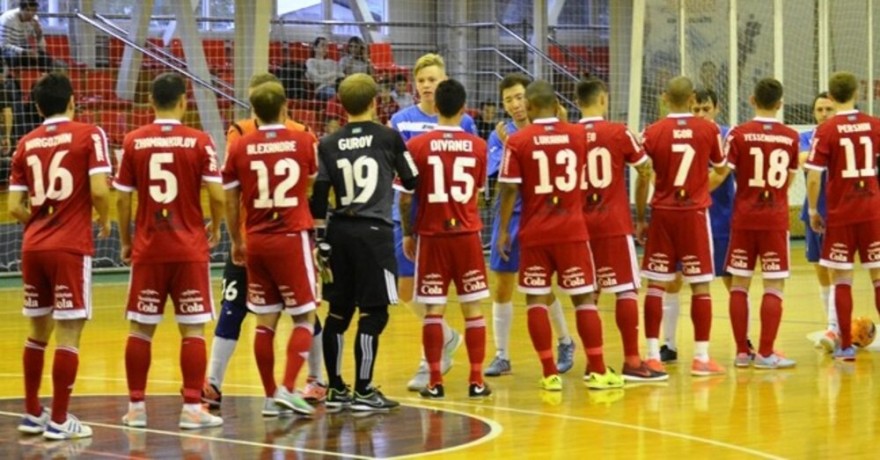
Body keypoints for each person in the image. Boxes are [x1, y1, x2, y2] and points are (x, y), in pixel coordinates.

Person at [203, 72, 326, 411]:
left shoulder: (239, 141)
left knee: (262, 320)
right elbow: (313, 183)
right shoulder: (303, 137)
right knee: (305, 313)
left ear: (253, 107)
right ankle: (289, 386)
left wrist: (234, 237)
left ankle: (276, 393)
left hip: (252, 238)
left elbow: (229, 197)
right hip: (291, 236)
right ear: (285, 105)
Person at [114, 72, 225, 430]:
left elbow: (122, 198)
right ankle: (192, 409)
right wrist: (216, 226)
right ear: (183, 102)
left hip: (149, 248)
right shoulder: (200, 141)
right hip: (189, 248)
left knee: (140, 329)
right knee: (192, 330)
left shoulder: (133, 141)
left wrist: (125, 240)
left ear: (150, 101)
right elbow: (218, 194)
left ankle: (136, 408)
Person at [497, 80, 624, 391]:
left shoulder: (518, 140)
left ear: (528, 107)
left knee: (535, 300)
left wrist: (502, 231)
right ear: (557, 106)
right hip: (572, 230)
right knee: (583, 299)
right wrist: (564, 122)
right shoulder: (578, 134)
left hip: (535, 232)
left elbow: (509, 188)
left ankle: (549, 374)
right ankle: (598, 370)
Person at [9, 71, 111, 439]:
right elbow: (100, 190)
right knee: (69, 332)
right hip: (69, 246)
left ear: (37, 108)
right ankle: (60, 420)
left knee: (38, 332)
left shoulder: (25, 143)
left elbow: (13, 206)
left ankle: (33, 412)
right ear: (72, 100)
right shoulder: (90, 134)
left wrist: (39, 222)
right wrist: (105, 218)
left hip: (33, 246)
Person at [311, 73, 417, 411]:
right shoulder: (389, 136)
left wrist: (319, 239)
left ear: (341, 105)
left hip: (338, 232)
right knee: (374, 313)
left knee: (337, 313)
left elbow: (318, 196)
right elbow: (412, 179)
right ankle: (364, 390)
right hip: (375, 235)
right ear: (374, 102)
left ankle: (336, 389)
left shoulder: (328, 143)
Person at [388, 53, 477, 391]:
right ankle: (448, 337)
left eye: (433, 80)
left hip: (446, 220)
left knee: (436, 294)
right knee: (405, 290)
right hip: (408, 215)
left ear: (445, 83)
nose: (427, 85)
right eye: (422, 80)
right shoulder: (400, 121)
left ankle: (431, 360)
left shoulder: (463, 121)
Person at [484, 73, 576, 378]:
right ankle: (502, 355)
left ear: (531, 99)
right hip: (509, 216)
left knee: (540, 286)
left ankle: (565, 341)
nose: (515, 104)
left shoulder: (550, 130)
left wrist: (514, 145)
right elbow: (504, 181)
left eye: (519, 97)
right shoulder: (499, 135)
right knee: (502, 284)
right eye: (508, 100)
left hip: (541, 216)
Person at [576, 77, 666, 381]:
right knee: (625, 289)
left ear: (578, 103)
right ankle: (632, 361)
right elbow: (645, 170)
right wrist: (640, 214)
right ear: (604, 99)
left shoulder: (568, 135)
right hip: (612, 222)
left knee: (588, 295)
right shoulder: (619, 132)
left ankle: (594, 364)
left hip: (578, 226)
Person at [639, 76, 726, 376]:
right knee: (700, 285)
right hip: (694, 214)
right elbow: (721, 168)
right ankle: (701, 358)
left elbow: (643, 172)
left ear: (664, 98)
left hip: (663, 213)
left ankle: (652, 355)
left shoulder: (651, 132)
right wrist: (699, 187)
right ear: (691, 99)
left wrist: (642, 214)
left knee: (656, 284)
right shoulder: (709, 129)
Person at [719, 77, 799, 369]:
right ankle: (766, 353)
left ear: (752, 100)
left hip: (744, 217)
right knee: (773, 285)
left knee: (739, 284)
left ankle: (742, 353)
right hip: (774, 218)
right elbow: (788, 180)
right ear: (780, 104)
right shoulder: (791, 137)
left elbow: (723, 173)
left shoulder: (738, 134)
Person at [806, 71, 880, 362]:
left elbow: (814, 177)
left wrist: (813, 210)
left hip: (841, 214)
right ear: (856, 94)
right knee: (877, 277)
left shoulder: (826, 130)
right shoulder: (874, 125)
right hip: (871, 211)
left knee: (842, 279)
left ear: (831, 97)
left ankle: (845, 346)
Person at [660, 88, 733, 363]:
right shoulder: (679, 134)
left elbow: (721, 175)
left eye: (706, 109)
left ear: (717, 108)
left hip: (720, 218)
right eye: (696, 109)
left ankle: (744, 342)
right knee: (673, 279)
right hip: (686, 218)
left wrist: (693, 192)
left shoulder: (726, 136)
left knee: (731, 279)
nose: (701, 114)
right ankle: (669, 344)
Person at [799, 92, 837, 350]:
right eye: (819, 109)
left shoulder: (842, 136)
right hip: (813, 211)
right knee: (819, 269)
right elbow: (803, 160)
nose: (824, 114)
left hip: (838, 211)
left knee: (836, 269)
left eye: (828, 109)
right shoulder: (805, 137)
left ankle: (835, 327)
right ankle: (830, 324)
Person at [0, 1, 55, 70]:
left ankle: (46, 76)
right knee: (15, 59)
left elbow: (41, 46)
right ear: (20, 9)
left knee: (46, 59)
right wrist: (24, 51)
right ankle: (10, 76)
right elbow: (3, 45)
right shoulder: (8, 19)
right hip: (5, 49)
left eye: (34, 10)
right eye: (28, 10)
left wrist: (39, 34)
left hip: (23, 46)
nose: (31, 13)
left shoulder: (34, 19)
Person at [305, 36, 343, 101]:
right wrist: (334, 74)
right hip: (322, 90)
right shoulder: (311, 61)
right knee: (337, 94)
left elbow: (342, 75)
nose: (325, 48)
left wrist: (328, 77)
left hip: (337, 87)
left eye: (326, 46)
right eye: (322, 45)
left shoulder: (332, 62)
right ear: (315, 48)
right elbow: (316, 79)